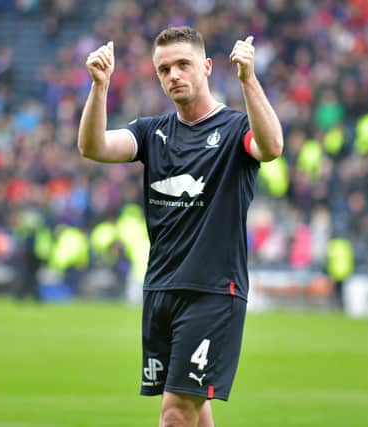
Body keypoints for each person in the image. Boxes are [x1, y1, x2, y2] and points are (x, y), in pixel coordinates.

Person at [78, 26, 283, 427]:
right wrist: (99, 87)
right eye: (164, 69)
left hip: (211, 292)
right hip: (161, 288)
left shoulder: (234, 130)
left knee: (174, 412)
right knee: (193, 407)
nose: (174, 75)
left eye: (183, 65)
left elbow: (272, 146)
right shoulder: (152, 132)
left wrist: (249, 79)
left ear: (206, 67)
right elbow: (93, 147)